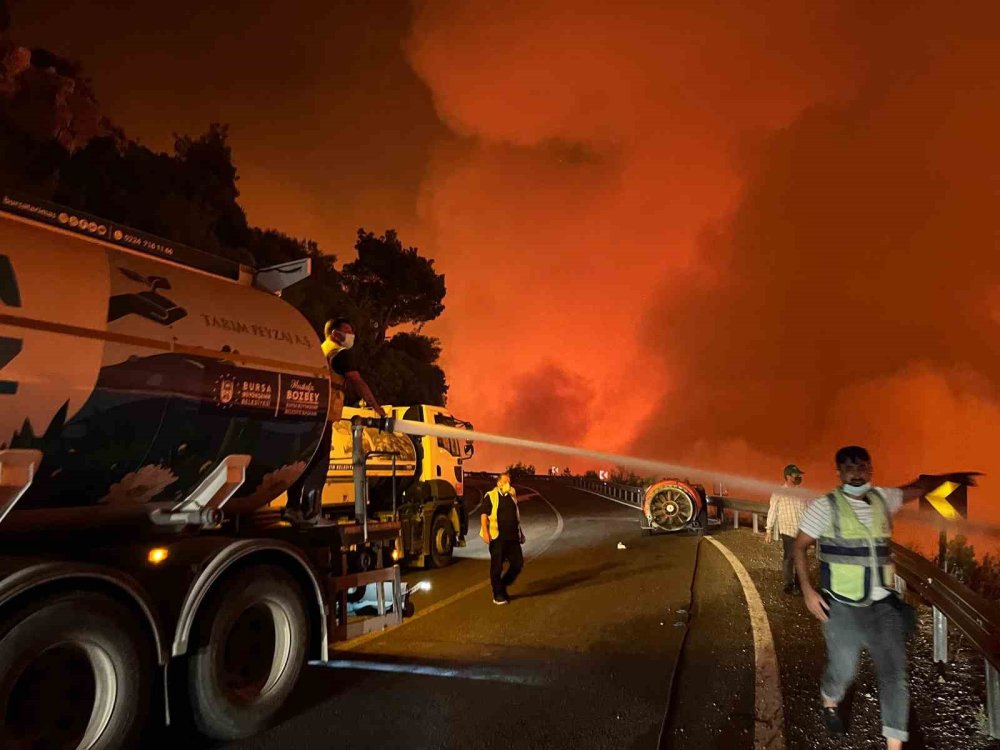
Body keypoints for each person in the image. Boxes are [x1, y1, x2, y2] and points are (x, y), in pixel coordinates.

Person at [793, 446, 978, 749]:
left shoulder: (883, 498)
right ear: (839, 472)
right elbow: (799, 546)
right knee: (844, 669)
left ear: (870, 468)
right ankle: (830, 699)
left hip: (883, 605)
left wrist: (952, 477)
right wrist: (807, 590)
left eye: (862, 466)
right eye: (849, 468)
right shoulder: (824, 507)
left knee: (894, 675)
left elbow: (918, 488)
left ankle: (894, 745)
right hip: (841, 604)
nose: (857, 473)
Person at [284, 318, 386, 526]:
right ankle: (311, 513)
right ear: (334, 333)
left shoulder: (320, 350)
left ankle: (292, 508)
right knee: (320, 463)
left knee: (305, 462)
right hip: (325, 414)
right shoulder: (340, 354)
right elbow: (357, 381)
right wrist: (376, 406)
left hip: (310, 412)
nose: (351, 335)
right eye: (347, 330)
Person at [480, 473, 525, 605]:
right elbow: (484, 515)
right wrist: (485, 532)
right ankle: (498, 594)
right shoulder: (491, 496)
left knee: (518, 563)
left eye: (509, 482)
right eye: (505, 482)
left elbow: (516, 516)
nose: (508, 484)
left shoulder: (512, 495)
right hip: (497, 538)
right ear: (499, 483)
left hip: (513, 538)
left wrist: (521, 533)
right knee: (497, 567)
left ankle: (503, 584)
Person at [764, 463, 808, 595]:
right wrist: (768, 530)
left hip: (801, 531)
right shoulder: (779, 492)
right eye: (796, 474)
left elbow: (806, 511)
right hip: (788, 531)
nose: (798, 477)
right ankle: (788, 585)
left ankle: (800, 585)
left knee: (801, 558)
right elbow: (773, 510)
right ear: (788, 476)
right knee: (789, 557)